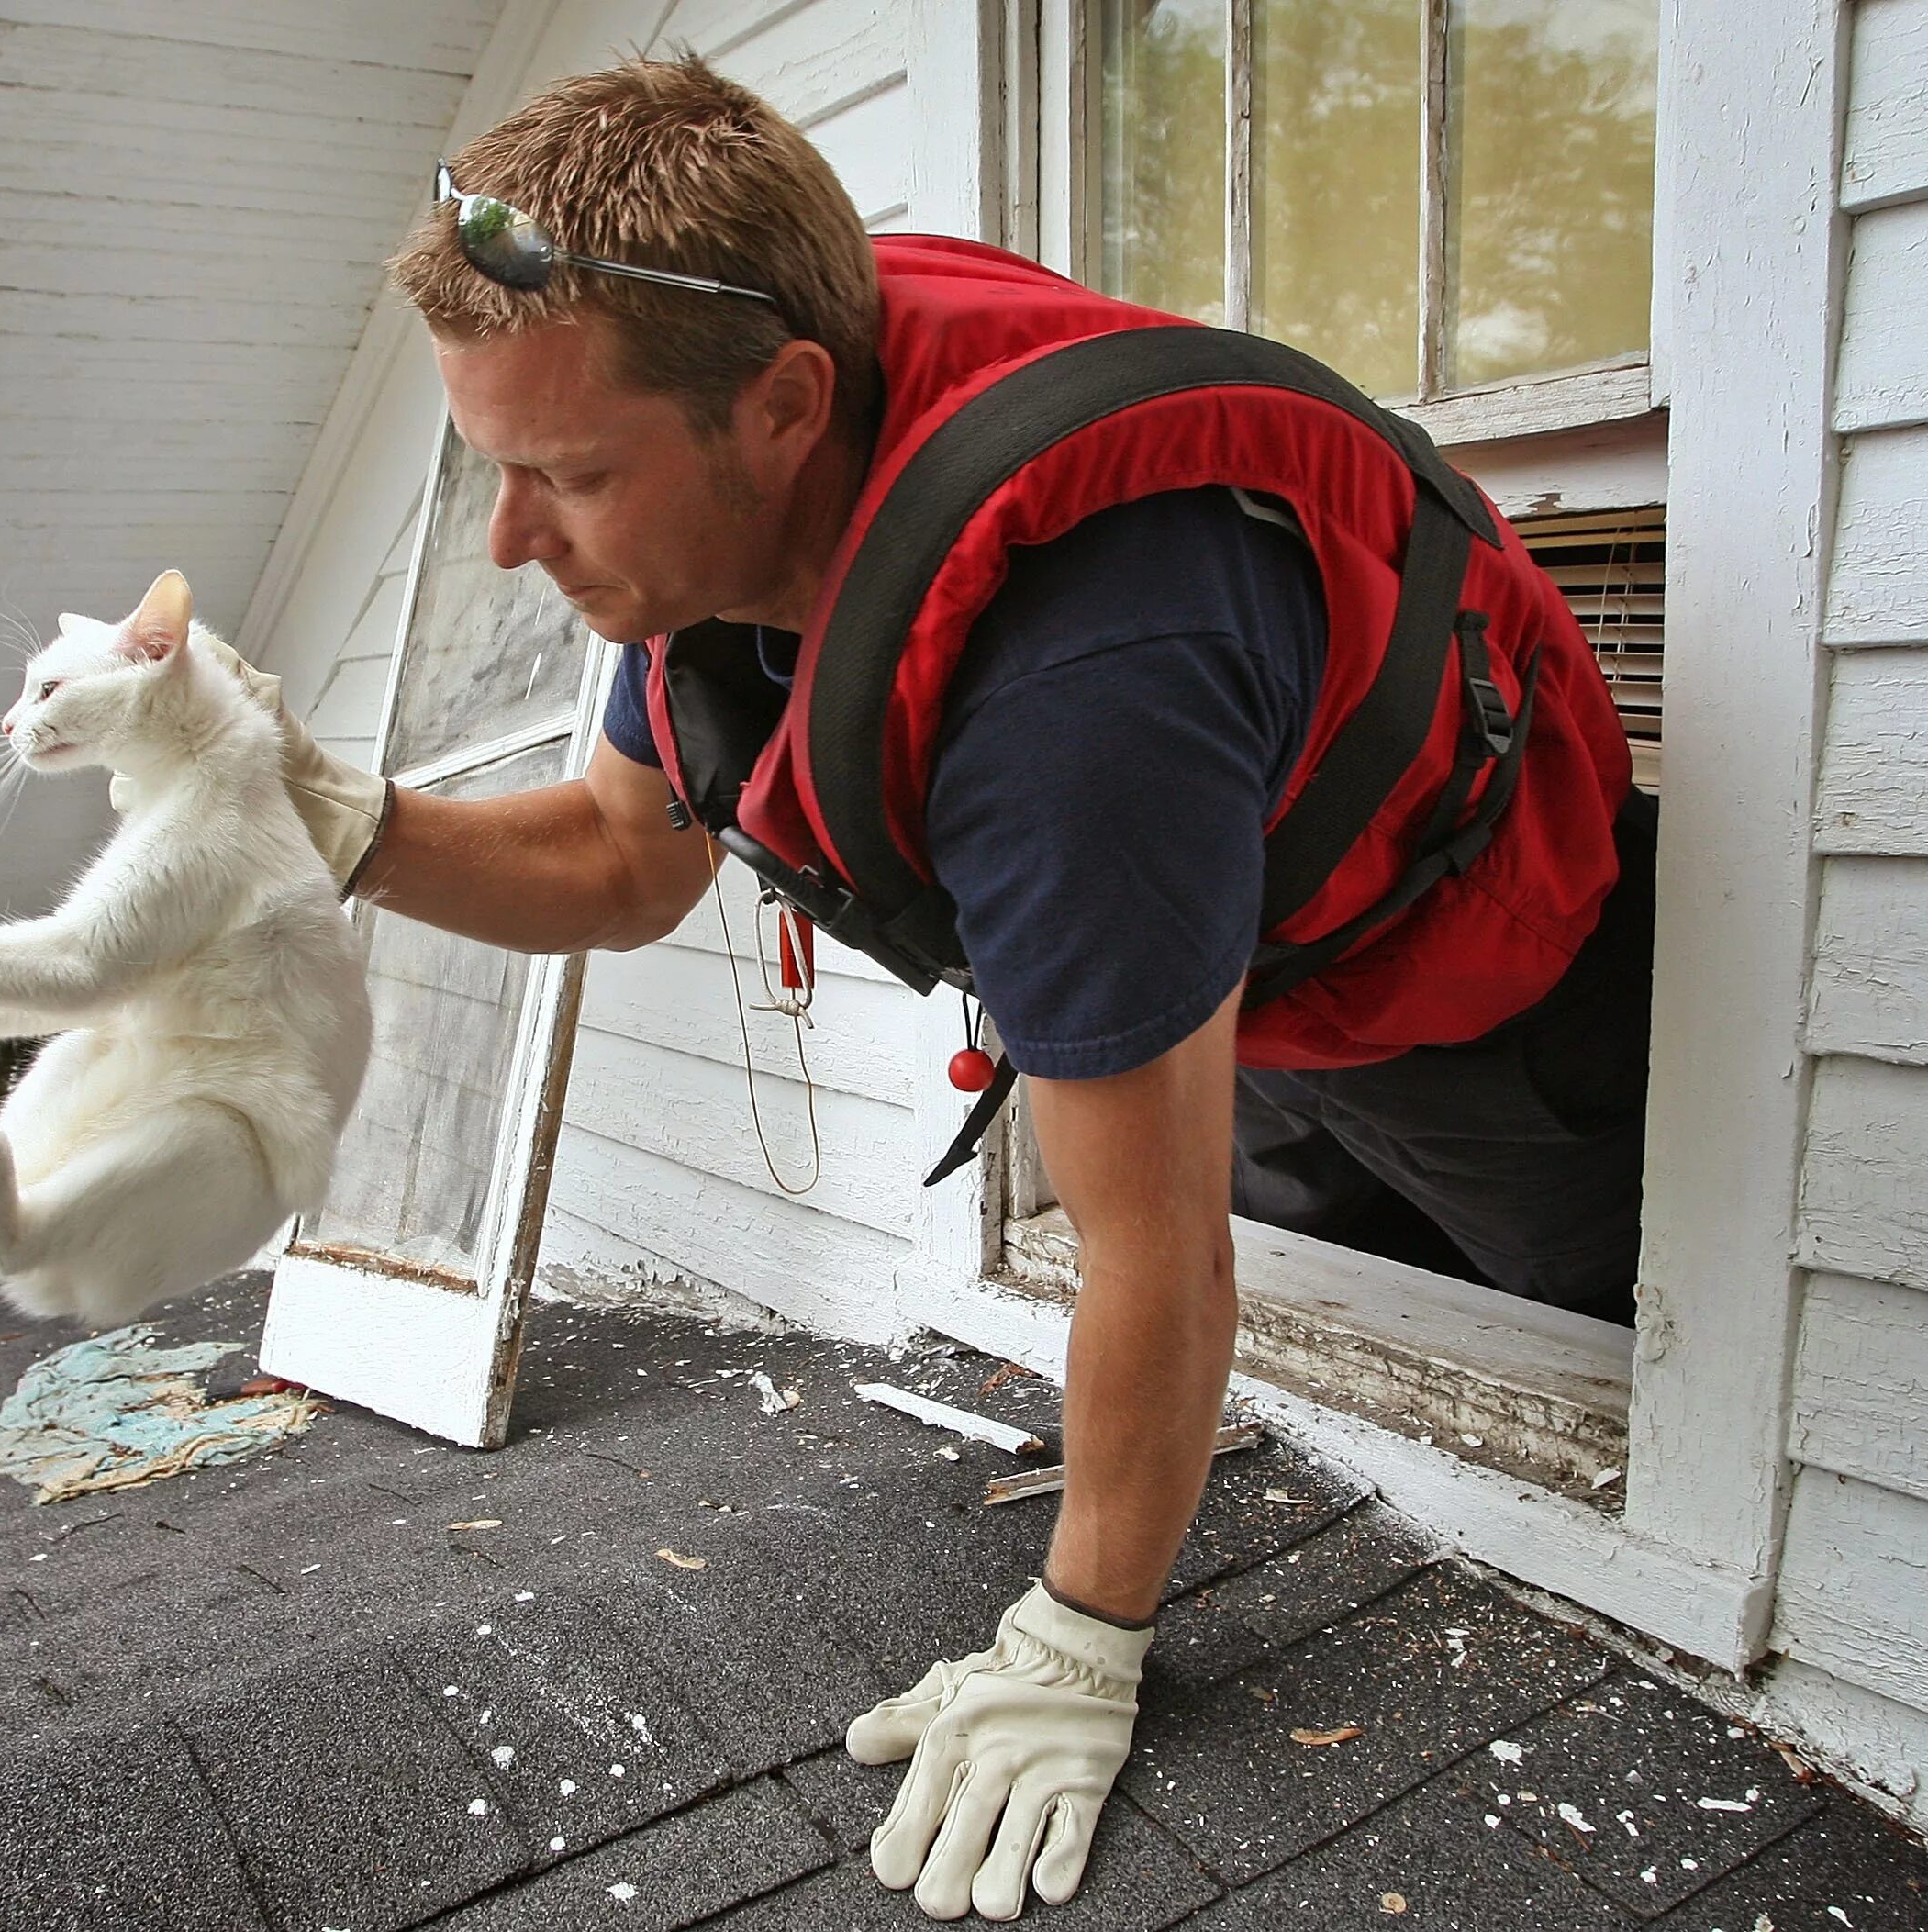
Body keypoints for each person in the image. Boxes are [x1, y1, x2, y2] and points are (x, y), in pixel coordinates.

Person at [228, 55, 1650, 1925]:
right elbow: (619, 855)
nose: (513, 540)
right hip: (1247, 966)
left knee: (1560, 1298)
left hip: (1489, 1007)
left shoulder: (1078, 703)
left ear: (789, 405)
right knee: (1260, 1176)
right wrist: (338, 817)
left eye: (566, 476)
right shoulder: (721, 504)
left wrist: (1080, 1638)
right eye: (492, 467)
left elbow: (1154, 1261)